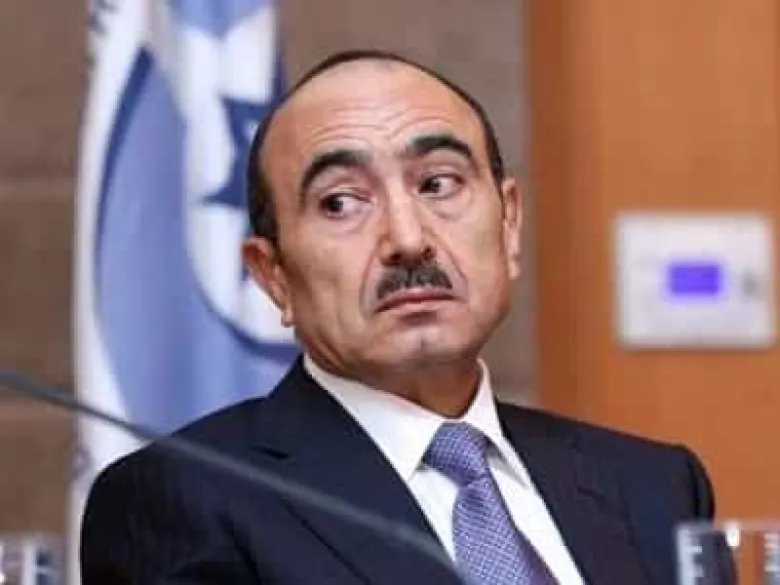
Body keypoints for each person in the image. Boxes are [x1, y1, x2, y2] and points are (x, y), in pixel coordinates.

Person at [80, 50, 715, 585]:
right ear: (273, 276)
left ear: (509, 225)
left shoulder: (654, 486)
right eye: (341, 202)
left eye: (438, 184)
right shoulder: (182, 499)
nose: (409, 240)